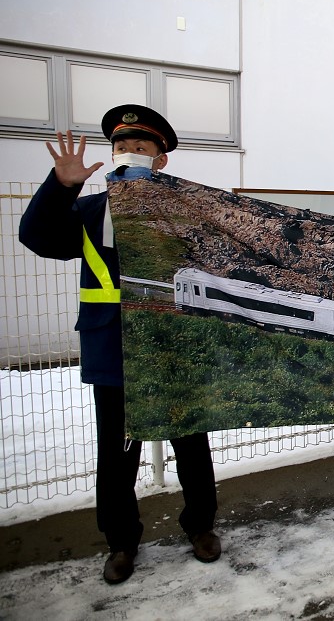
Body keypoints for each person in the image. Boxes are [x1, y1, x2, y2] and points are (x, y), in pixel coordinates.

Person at [19, 105, 221, 585]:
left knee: (191, 444)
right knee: (117, 454)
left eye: (141, 147)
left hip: (173, 350)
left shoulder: (187, 214)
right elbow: (36, 236)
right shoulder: (89, 211)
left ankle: (200, 527)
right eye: (122, 146)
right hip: (113, 350)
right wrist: (62, 185)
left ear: (161, 160)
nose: (129, 153)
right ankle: (121, 542)